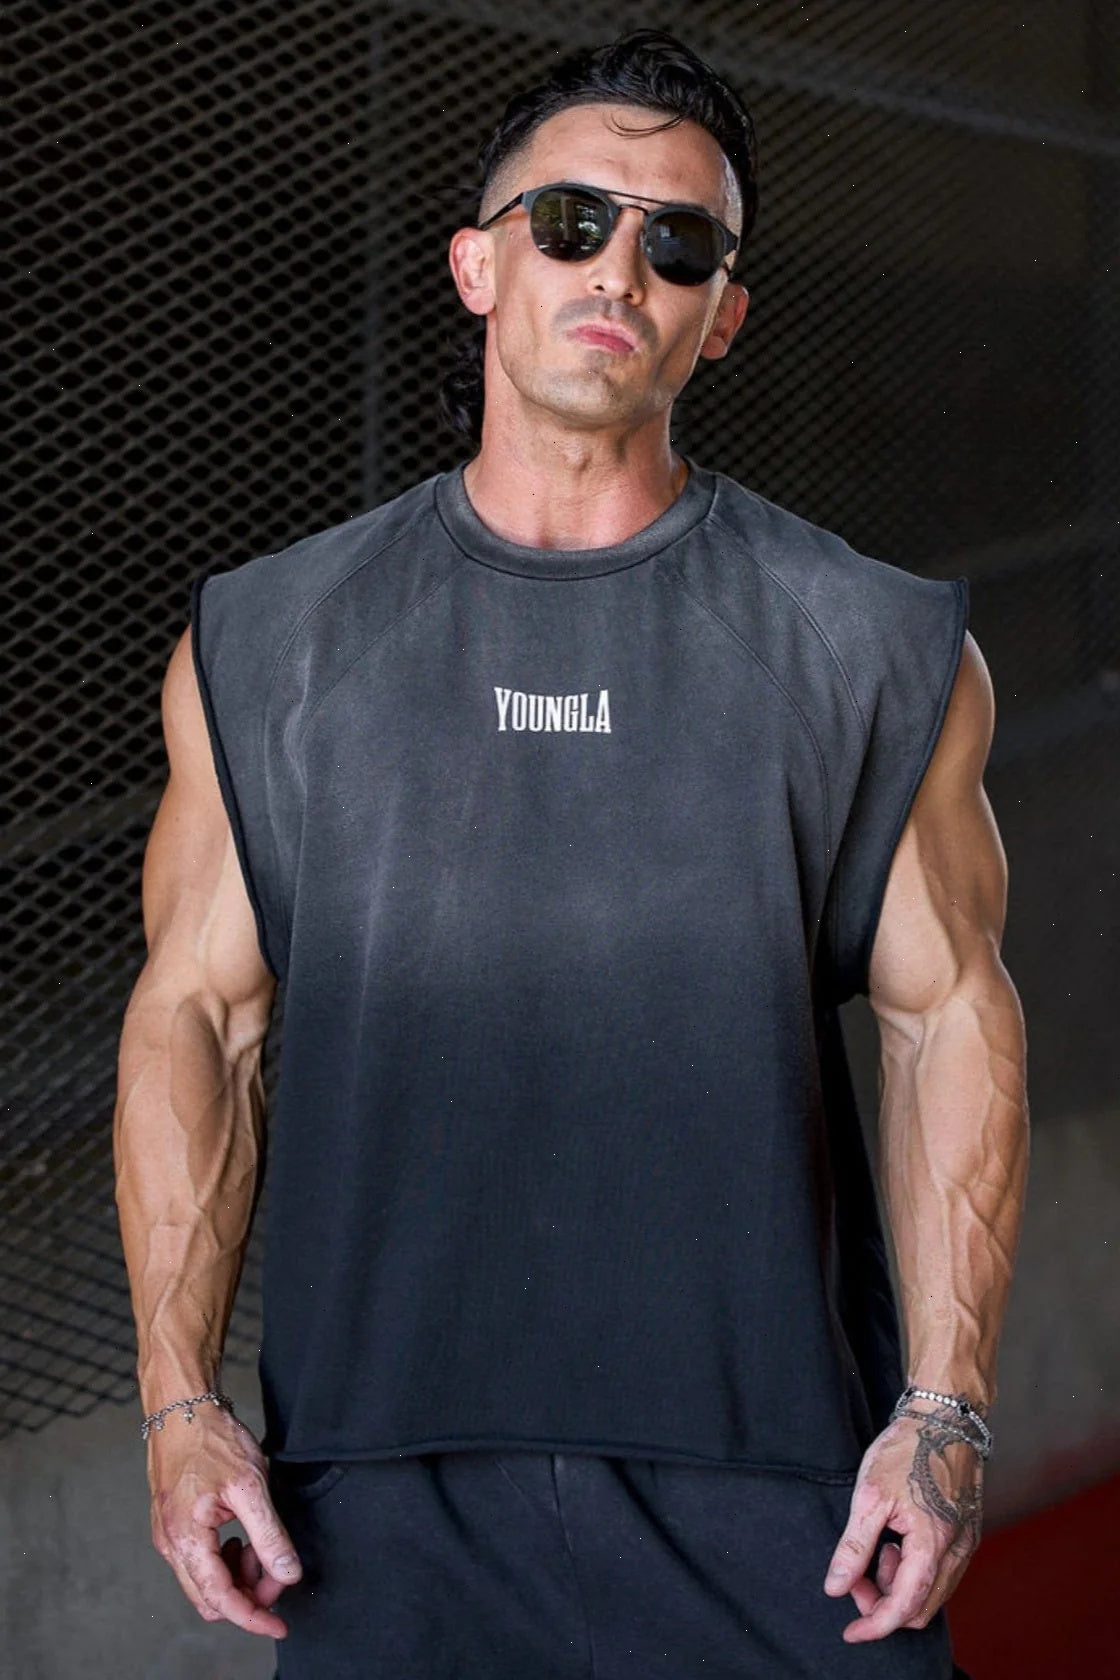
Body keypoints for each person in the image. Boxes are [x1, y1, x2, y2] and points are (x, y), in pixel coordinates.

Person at [114, 28, 1029, 1679]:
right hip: (378, 1500)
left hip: (788, 1502)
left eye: (680, 244)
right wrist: (180, 1407)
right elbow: (197, 1016)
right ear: (477, 265)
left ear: (723, 314)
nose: (620, 268)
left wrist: (944, 1412)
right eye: (570, 221)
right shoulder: (273, 642)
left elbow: (948, 1013)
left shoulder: (867, 645)